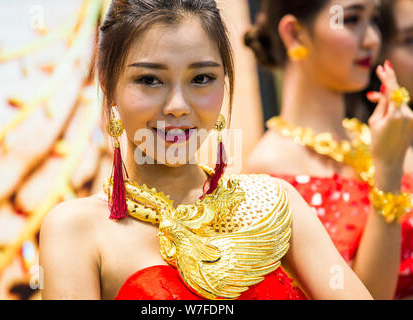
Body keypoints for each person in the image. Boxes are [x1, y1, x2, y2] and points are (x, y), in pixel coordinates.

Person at [39, 0, 372, 300]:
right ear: (108, 85)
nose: (177, 106)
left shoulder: (273, 202)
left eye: (201, 79)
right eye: (149, 80)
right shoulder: (76, 230)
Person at [244, 0, 413, 299]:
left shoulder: (384, 140)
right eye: (350, 20)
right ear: (295, 34)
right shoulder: (270, 170)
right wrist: (387, 172)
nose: (372, 38)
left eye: (373, 19)